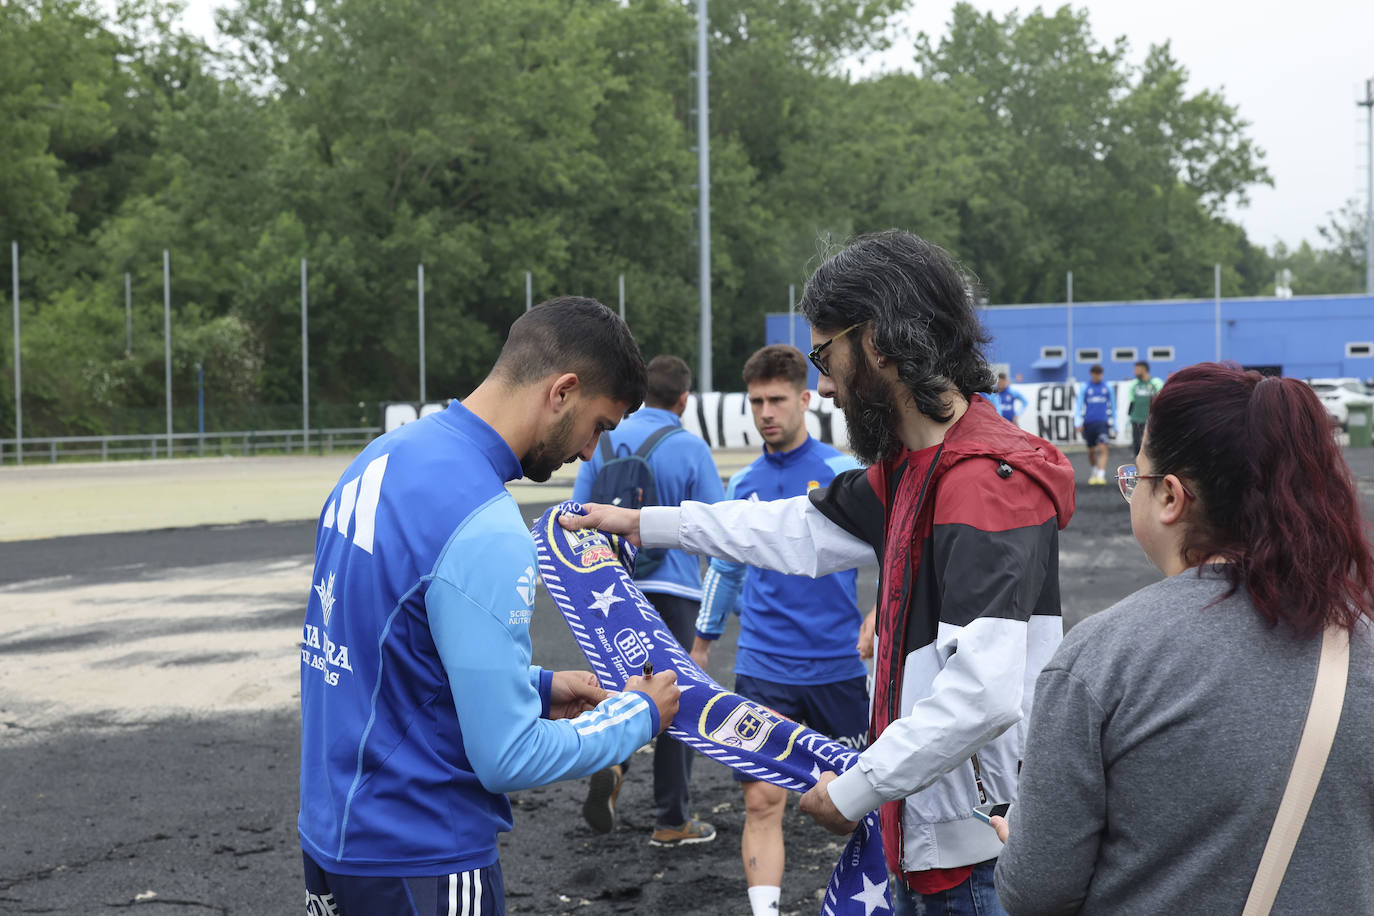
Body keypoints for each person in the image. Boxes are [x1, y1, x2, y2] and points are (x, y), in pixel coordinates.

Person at [563, 231, 1076, 914]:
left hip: (974, 865)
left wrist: (857, 788)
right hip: (935, 849)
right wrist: (648, 523)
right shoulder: (912, 472)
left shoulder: (982, 482)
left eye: (825, 354)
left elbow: (984, 695)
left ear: (883, 341)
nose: (825, 385)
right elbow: (795, 530)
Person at [297, 298, 681, 916]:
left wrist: (536, 686)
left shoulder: (379, 457)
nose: (589, 453)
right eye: (600, 426)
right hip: (421, 856)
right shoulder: (486, 523)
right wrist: (637, 715)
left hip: (331, 838)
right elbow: (508, 756)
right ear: (563, 391)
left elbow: (389, 654)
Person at [991, 363, 1374, 914]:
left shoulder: (1101, 659)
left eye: (1137, 477)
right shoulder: (1358, 640)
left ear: (1171, 497)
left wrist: (1021, 846)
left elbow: (1037, 890)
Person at [688, 344, 868, 916]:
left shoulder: (843, 474)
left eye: (777, 400)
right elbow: (724, 566)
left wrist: (882, 614)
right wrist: (702, 641)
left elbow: (903, 546)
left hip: (840, 667)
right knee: (763, 801)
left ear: (805, 400)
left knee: (865, 805)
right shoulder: (741, 481)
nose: (766, 412)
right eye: (757, 401)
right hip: (763, 667)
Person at [572, 354, 725, 847]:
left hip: (609, 591)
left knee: (618, 688)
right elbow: (717, 531)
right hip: (675, 590)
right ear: (683, 399)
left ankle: (612, 762)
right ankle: (671, 819)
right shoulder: (690, 448)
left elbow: (577, 513)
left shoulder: (605, 439)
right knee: (678, 704)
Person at [1073, 364, 1115, 485]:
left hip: (1102, 423)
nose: (1097, 376)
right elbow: (1079, 405)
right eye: (1095, 374)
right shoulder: (1085, 388)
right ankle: (1094, 470)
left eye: (1099, 374)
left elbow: (1113, 406)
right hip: (1089, 423)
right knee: (1091, 451)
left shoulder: (1107, 388)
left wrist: (1115, 425)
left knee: (1103, 448)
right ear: (1091, 374)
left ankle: (1101, 474)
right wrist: (1078, 422)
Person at [1126, 360, 1162, 456]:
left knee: (1150, 446)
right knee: (1137, 445)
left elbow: (1160, 400)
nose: (1134, 371)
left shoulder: (1155, 383)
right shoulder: (1135, 384)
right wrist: (1130, 416)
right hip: (1136, 419)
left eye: (1136, 369)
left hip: (1150, 420)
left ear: (1143, 369)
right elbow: (1131, 400)